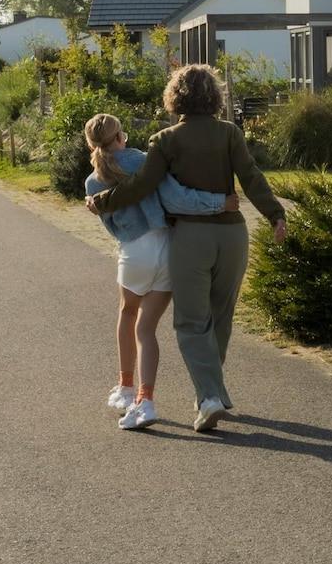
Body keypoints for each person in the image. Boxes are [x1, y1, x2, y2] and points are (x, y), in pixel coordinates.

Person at [85, 64, 286, 434]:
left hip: (192, 237)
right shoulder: (230, 133)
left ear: (174, 97)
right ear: (214, 95)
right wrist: (275, 214)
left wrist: (102, 201)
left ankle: (209, 397)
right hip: (233, 235)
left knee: (192, 322)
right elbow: (251, 176)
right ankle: (212, 391)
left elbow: (143, 185)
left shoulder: (165, 140)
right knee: (221, 316)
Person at [83, 113, 241, 431]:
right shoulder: (145, 160)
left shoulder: (93, 181)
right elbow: (176, 197)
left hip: (134, 251)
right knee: (146, 328)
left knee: (127, 314)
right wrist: (219, 203)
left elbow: (112, 227)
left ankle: (126, 387)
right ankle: (145, 400)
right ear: (120, 137)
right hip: (168, 248)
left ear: (92, 144)